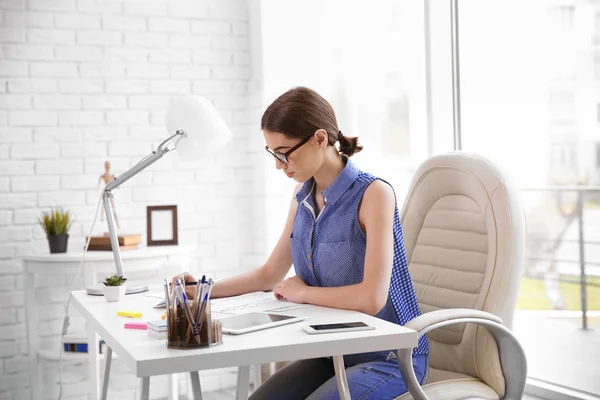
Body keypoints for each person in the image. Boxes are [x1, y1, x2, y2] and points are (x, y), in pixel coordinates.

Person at [172, 87, 428, 400]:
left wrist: (303, 293)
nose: (279, 164)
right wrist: (200, 290)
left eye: (284, 152)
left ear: (320, 139)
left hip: (389, 357)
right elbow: (269, 275)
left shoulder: (374, 195)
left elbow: (372, 298)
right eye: (273, 154)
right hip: (332, 353)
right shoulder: (302, 196)